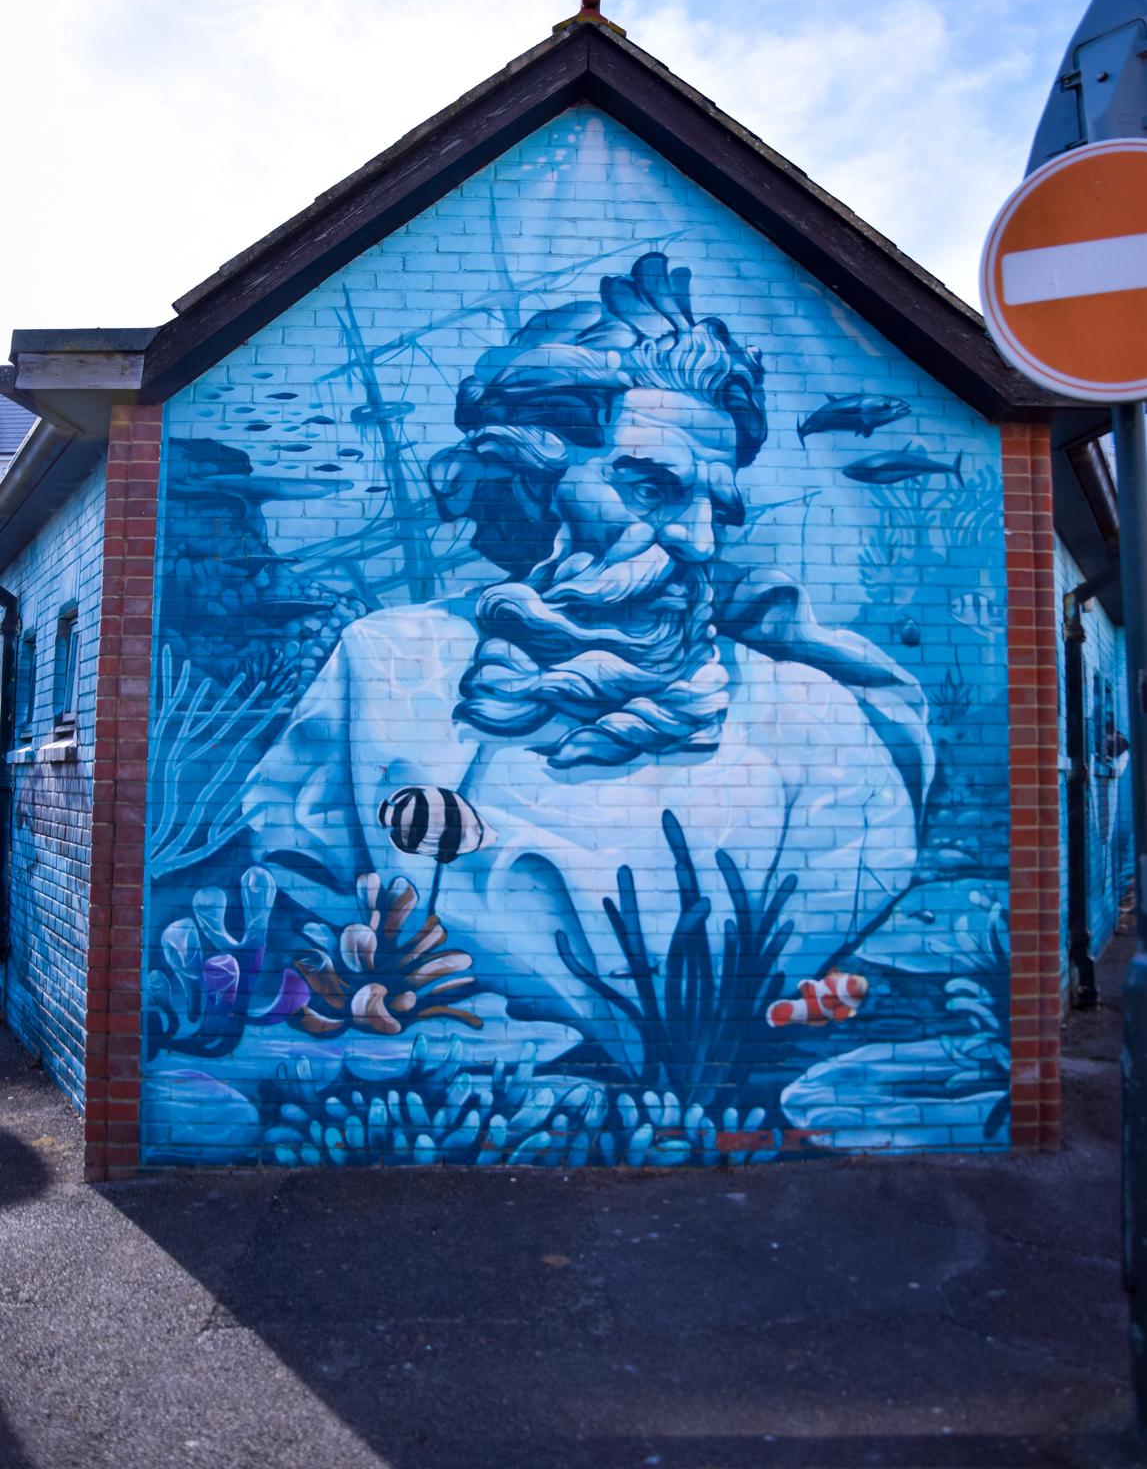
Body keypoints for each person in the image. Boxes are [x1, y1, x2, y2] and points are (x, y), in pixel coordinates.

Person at [243, 254, 933, 1071]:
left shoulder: (816, 721)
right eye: (650, 488)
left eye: (716, 509)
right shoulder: (384, 667)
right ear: (539, 471)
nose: (696, 541)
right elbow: (300, 872)